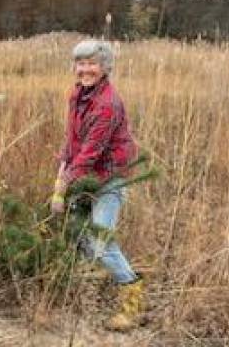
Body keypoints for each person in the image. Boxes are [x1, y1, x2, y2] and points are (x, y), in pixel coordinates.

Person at [51, 39, 143, 331]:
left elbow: (91, 152)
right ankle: (103, 273)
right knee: (76, 233)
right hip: (85, 173)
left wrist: (62, 187)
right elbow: (73, 139)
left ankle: (134, 301)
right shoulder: (78, 95)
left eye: (92, 63)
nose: (85, 69)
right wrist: (62, 168)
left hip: (109, 177)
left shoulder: (107, 105)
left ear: (104, 68)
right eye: (81, 63)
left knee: (99, 242)